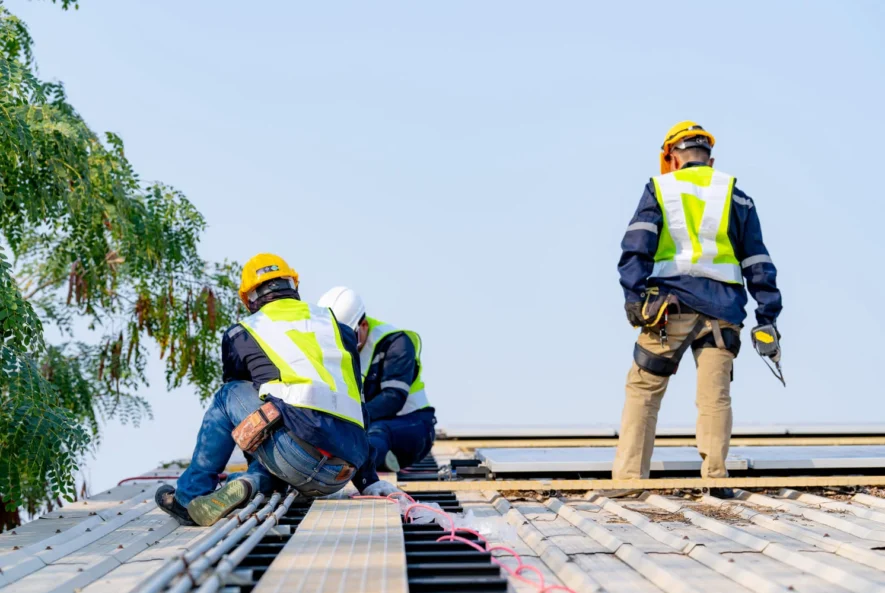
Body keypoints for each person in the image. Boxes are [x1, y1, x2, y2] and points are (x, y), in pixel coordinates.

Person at [155, 254, 396, 527]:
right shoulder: (338, 328)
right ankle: (251, 482)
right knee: (293, 418)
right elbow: (358, 405)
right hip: (342, 472)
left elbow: (245, 418)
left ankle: (189, 496)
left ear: (249, 299)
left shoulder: (243, 332)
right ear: (293, 286)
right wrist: (367, 481)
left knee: (229, 395)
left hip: (297, 459)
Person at [613, 122, 782, 496]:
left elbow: (636, 247)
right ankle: (716, 480)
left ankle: (628, 482)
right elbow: (757, 260)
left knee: (644, 388)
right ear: (710, 159)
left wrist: (633, 296)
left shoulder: (660, 188)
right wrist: (767, 316)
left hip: (668, 309)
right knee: (714, 396)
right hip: (724, 312)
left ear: (672, 157)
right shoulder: (736, 196)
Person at [318, 287, 437, 473]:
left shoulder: (397, 343)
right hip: (367, 424)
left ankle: (361, 469)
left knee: (378, 431)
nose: (343, 345)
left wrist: (350, 420)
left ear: (363, 326)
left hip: (414, 426)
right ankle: (379, 459)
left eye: (348, 337)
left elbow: (393, 398)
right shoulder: (335, 353)